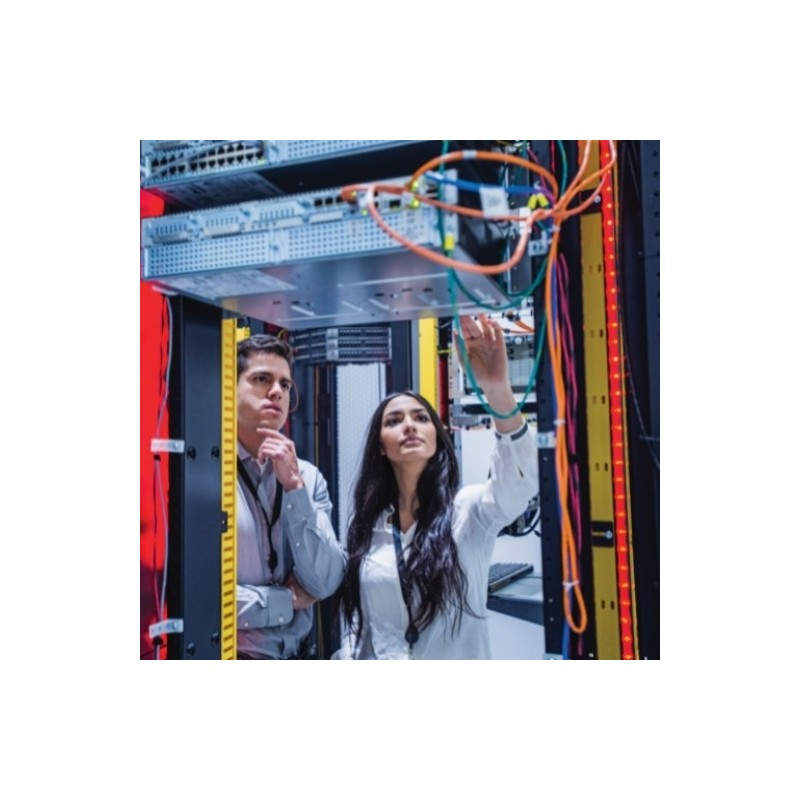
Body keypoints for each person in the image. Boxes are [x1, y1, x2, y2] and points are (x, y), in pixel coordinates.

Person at [337, 313, 538, 659]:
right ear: (380, 446)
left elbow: (521, 484)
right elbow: (362, 628)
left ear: (436, 437)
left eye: (421, 418)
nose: (409, 426)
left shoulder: (469, 512)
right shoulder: (369, 526)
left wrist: (497, 391)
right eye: (394, 420)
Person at [236, 334, 345, 659]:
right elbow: (200, 597)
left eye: (284, 384)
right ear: (228, 388)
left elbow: (325, 581)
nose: (277, 392)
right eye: (261, 379)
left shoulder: (307, 478)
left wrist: (295, 488)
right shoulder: (205, 475)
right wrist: (287, 600)